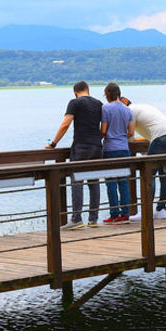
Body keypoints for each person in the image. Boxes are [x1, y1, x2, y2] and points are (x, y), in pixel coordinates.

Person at [46, 81, 103, 230]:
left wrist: (53, 143)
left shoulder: (75, 102)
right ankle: (93, 219)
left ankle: (76, 218)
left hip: (82, 145)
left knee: (77, 181)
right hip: (97, 146)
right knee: (94, 181)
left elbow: (65, 124)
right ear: (88, 90)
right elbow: (104, 126)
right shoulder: (99, 103)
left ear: (75, 92)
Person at [124, 97, 166, 221]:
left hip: (160, 138)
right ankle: (161, 209)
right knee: (165, 174)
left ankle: (146, 211)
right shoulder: (142, 107)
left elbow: (130, 136)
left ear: (124, 103)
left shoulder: (130, 110)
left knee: (148, 174)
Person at [100, 83, 135, 225]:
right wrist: (121, 138)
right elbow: (131, 132)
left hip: (110, 149)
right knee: (123, 182)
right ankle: (125, 214)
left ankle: (114, 214)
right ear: (119, 94)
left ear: (108, 94)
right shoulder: (128, 110)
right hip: (124, 149)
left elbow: (103, 131)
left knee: (111, 183)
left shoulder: (105, 108)